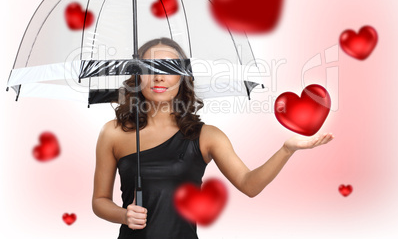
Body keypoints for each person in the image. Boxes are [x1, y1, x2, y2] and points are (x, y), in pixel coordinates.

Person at [92, 37, 334, 238]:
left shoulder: (207, 136)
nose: (158, 77)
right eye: (150, 68)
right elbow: (100, 201)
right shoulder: (112, 133)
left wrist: (286, 150)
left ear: (183, 76)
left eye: (169, 68)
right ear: (137, 76)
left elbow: (250, 185)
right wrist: (123, 215)